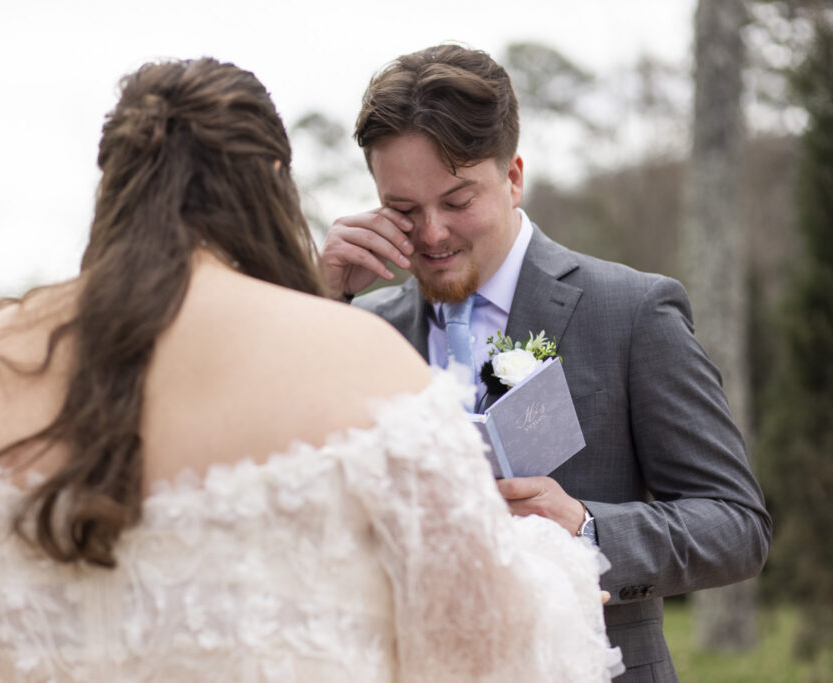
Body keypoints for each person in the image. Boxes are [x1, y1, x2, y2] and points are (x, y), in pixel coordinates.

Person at [0, 57, 622, 681]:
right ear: (273, 179)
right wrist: (552, 565)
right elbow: (483, 657)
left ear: (114, 182)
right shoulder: (361, 362)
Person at [320, 44, 771, 683]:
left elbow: (736, 525)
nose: (432, 234)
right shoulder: (355, 329)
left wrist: (586, 528)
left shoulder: (633, 311)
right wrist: (317, 300)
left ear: (513, 178)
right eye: (403, 210)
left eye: (456, 201)